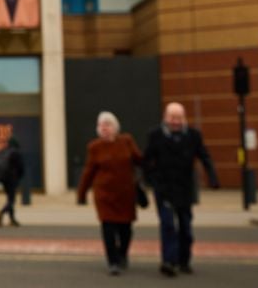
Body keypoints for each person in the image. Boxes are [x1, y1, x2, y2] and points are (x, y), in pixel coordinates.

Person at [142, 102, 220, 277]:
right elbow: (147, 160)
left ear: (184, 118)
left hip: (185, 188)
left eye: (179, 118)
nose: (175, 121)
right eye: (172, 117)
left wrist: (213, 178)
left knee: (185, 227)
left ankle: (183, 260)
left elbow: (204, 157)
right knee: (168, 225)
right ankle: (168, 261)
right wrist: (151, 180)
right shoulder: (155, 135)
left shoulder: (193, 136)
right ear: (165, 117)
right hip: (164, 188)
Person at [76, 111, 143, 275]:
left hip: (126, 194)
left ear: (115, 127)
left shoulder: (126, 141)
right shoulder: (94, 147)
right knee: (108, 228)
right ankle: (112, 261)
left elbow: (140, 160)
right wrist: (81, 194)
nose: (104, 128)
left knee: (126, 229)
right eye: (101, 125)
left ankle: (123, 254)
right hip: (104, 195)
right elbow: (88, 172)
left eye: (108, 124)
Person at [0, 137, 25, 227]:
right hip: (12, 179)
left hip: (3, 179)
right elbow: (20, 167)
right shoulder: (15, 153)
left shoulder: (4, 151)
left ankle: (12, 219)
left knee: (9, 199)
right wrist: (19, 177)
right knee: (12, 200)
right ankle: (1, 212)